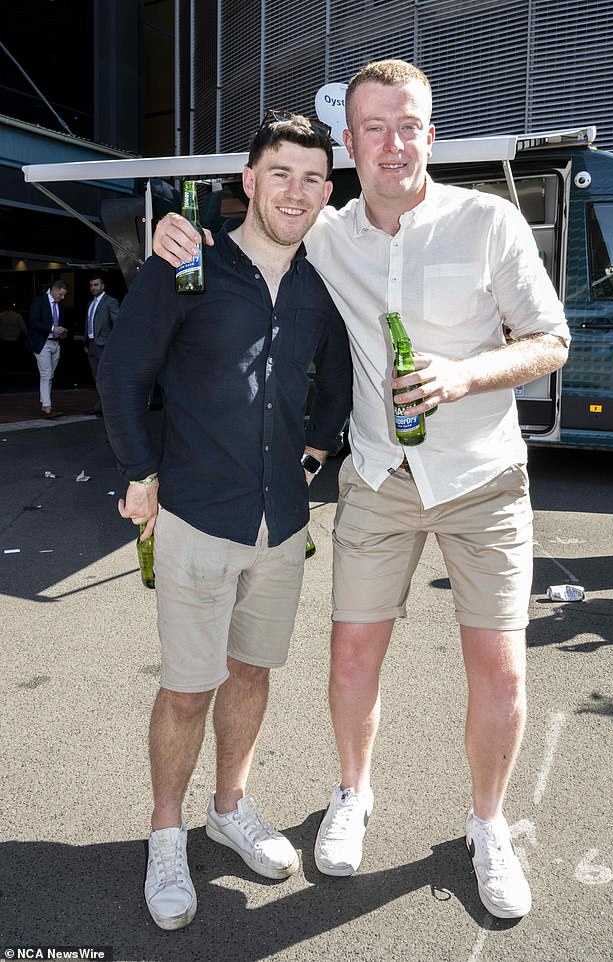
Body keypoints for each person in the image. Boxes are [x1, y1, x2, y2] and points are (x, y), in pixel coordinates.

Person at [152, 59, 570, 920]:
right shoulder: (328, 232)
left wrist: (463, 374)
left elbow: (550, 339)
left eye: (407, 124)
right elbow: (258, 230)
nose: (391, 143)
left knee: (500, 672)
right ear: (349, 144)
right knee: (350, 658)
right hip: (378, 476)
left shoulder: (487, 220)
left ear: (431, 131)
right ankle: (352, 793)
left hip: (484, 477)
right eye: (373, 127)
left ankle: (487, 824)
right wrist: (174, 230)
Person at [98, 110, 351, 931]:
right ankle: (165, 835)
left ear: (326, 191)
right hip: (198, 517)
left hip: (281, 524)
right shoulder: (192, 264)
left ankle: (229, 807)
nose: (296, 191)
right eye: (280, 173)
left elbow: (338, 385)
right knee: (184, 690)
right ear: (249, 181)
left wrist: (314, 454)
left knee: (251, 674)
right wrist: (140, 473)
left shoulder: (321, 286)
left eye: (313, 177)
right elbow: (124, 371)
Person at [26, 280, 69, 418]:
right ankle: (47, 407)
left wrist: (61, 332)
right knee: (46, 374)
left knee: (49, 375)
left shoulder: (60, 306)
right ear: (55, 290)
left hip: (55, 343)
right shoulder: (39, 301)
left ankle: (45, 402)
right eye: (61, 294)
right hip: (42, 343)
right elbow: (33, 322)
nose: (62, 298)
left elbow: (59, 323)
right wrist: (52, 328)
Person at [83, 273, 119, 416]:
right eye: (91, 285)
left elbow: (117, 323)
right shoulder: (90, 303)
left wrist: (111, 344)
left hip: (104, 345)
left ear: (103, 286)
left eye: (96, 284)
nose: (93, 287)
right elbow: (89, 322)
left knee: (105, 377)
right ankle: (99, 406)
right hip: (92, 344)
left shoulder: (110, 302)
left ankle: (108, 408)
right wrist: (86, 341)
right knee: (96, 377)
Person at [0, 303, 28, 374]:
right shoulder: (17, 316)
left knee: (5, 356)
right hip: (15, 340)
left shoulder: (1, 316)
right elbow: (23, 328)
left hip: (4, 340)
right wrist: (27, 336)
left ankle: (6, 370)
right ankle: (14, 370)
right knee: (14, 357)